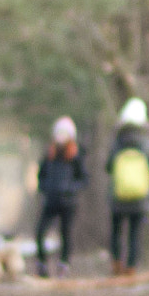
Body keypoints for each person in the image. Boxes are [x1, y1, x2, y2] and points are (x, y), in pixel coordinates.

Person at [105, 97, 149, 276]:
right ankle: (131, 268)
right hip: (140, 197)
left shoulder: (117, 143)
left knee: (116, 231)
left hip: (118, 196)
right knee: (134, 234)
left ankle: (116, 264)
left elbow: (108, 166)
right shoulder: (148, 144)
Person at [34, 116, 89, 277]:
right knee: (40, 232)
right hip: (50, 201)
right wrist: (44, 188)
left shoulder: (76, 155)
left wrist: (70, 189)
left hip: (68, 202)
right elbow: (41, 175)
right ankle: (42, 263)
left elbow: (84, 179)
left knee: (66, 234)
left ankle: (64, 264)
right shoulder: (49, 154)